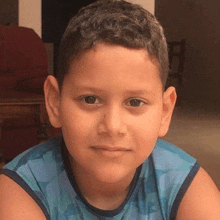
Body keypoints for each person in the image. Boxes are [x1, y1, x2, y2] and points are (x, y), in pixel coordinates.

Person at [0, 0, 220, 219]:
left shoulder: (182, 183)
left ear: (164, 111)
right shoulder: (22, 188)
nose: (113, 127)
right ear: (55, 102)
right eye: (90, 99)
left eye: (135, 102)